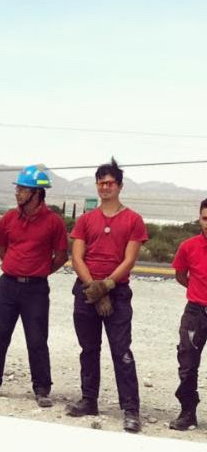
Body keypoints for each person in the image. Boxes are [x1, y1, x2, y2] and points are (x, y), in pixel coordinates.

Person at [0, 165, 68, 407]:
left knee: (37, 339)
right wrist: (16, 267)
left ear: (37, 193)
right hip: (8, 286)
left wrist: (41, 271)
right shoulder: (8, 219)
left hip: (36, 289)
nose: (17, 192)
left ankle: (42, 388)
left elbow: (61, 255)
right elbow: (2, 249)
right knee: (0, 334)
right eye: (17, 187)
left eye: (22, 189)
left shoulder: (54, 222)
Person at [66, 158, 147, 433]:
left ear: (120, 186)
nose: (105, 187)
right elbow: (77, 256)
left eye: (110, 182)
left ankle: (131, 409)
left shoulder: (133, 220)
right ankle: (89, 400)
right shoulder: (86, 220)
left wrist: (108, 286)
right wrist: (94, 289)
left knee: (121, 351)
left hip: (118, 293)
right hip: (87, 291)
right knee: (89, 350)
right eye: (101, 182)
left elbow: (130, 259)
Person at [169, 198, 207, 431]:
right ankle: (187, 412)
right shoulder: (188, 246)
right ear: (200, 218)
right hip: (195, 312)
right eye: (205, 218)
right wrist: (197, 292)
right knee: (187, 363)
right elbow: (181, 275)